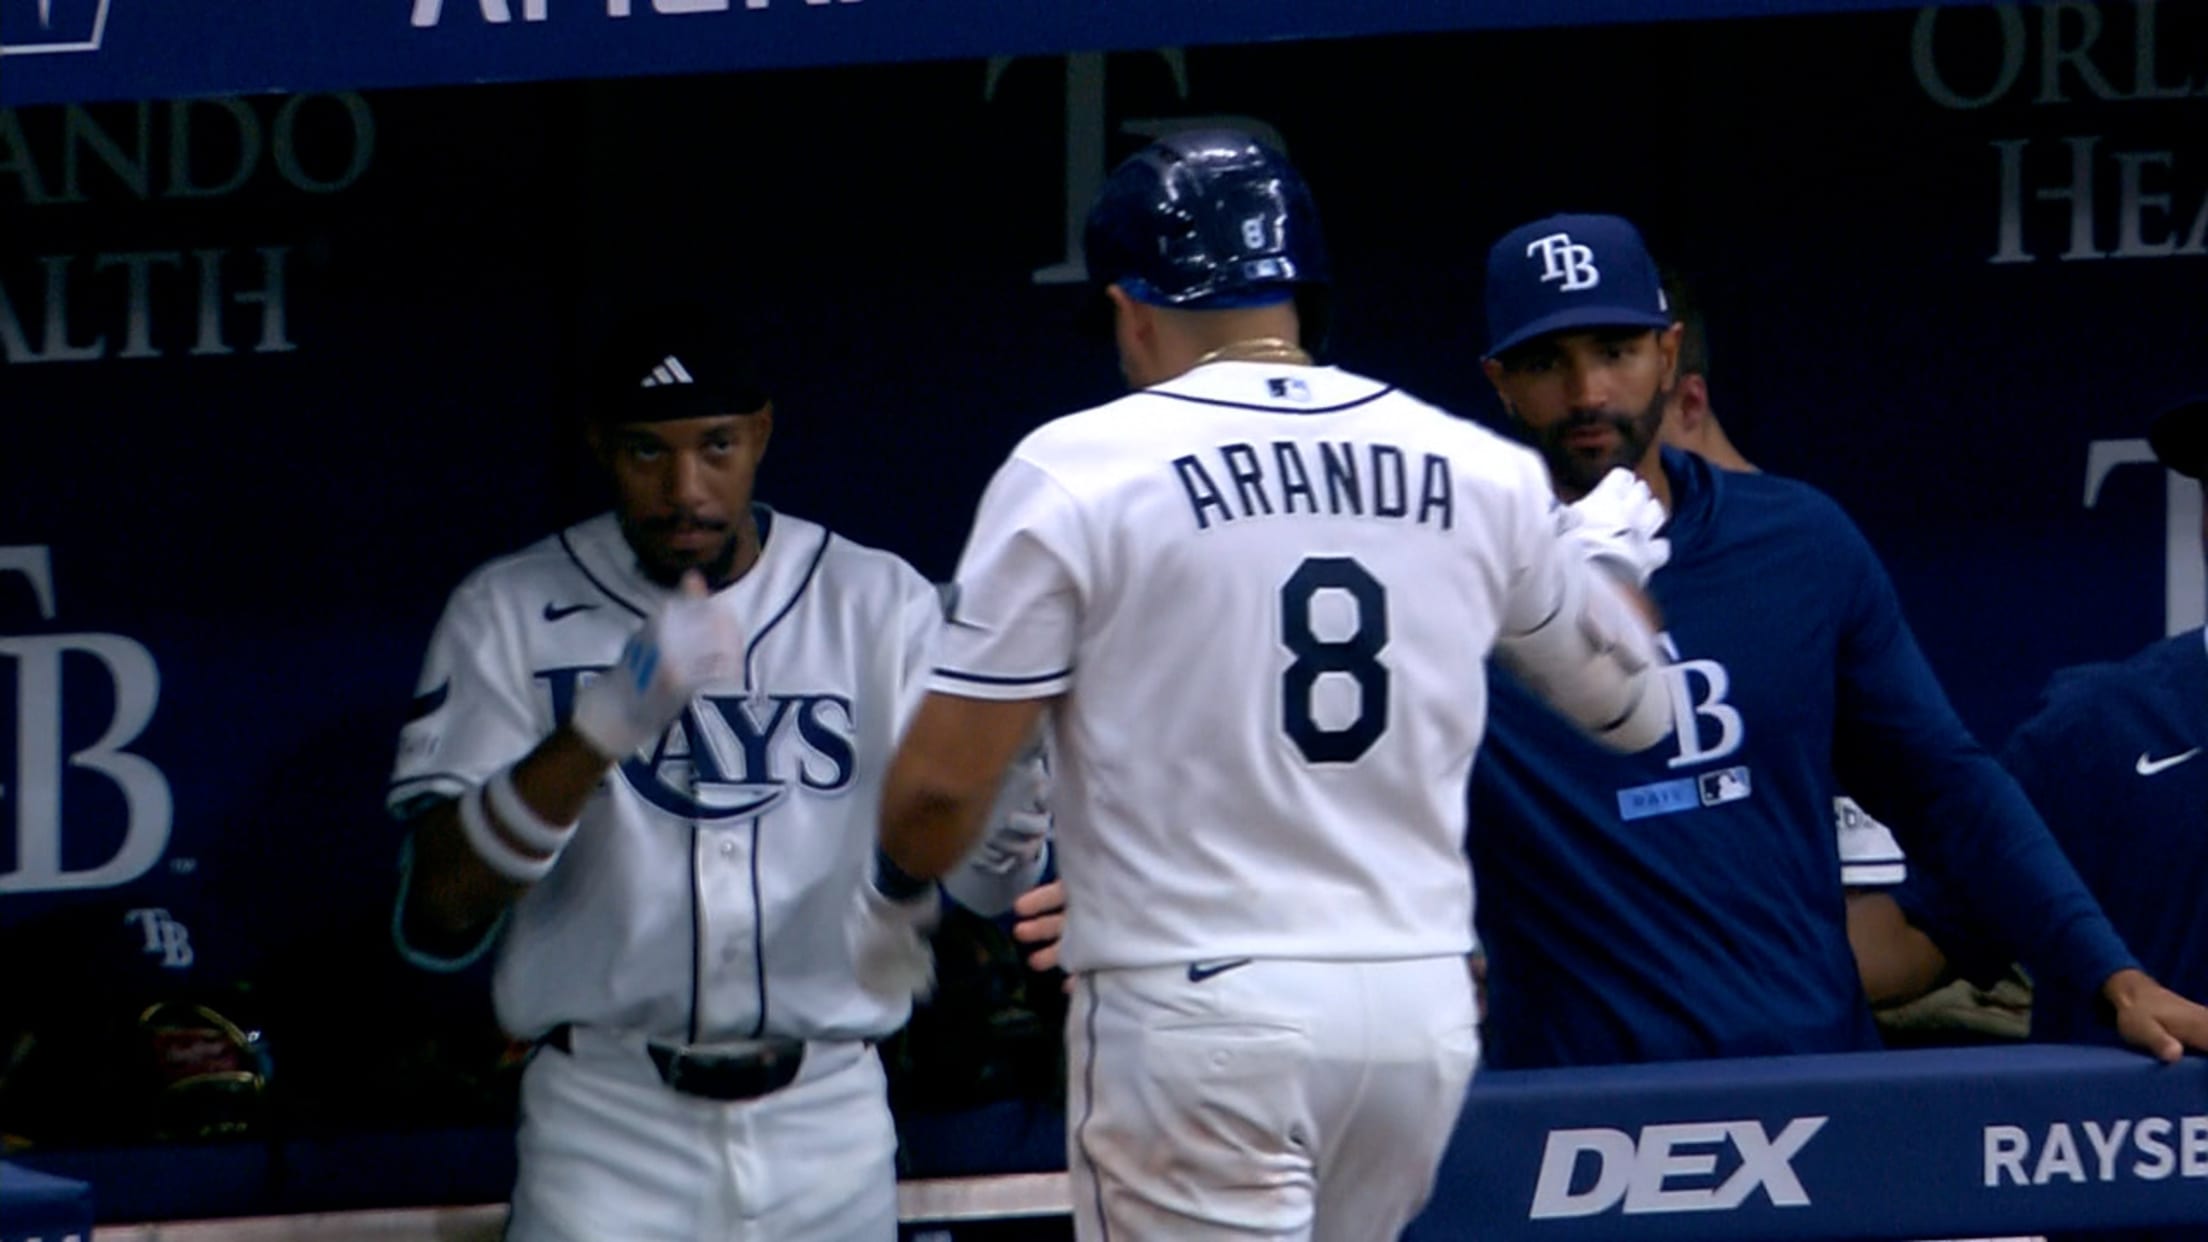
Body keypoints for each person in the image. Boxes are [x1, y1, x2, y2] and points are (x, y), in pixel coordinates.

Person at [851, 132, 1678, 1240]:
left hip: (1204, 1009)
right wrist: (1606, 563)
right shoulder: (1472, 466)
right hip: (1412, 1011)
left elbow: (939, 796)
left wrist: (890, 899)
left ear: (1131, 311)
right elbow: (1638, 706)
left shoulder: (1081, 467)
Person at [1462, 211, 2208, 1072]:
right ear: (1499, 383)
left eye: (1615, 350)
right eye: (1546, 362)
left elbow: (1946, 789)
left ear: (1668, 355)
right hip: (1573, 1105)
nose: (1588, 391)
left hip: (1814, 1089)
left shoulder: (1799, 545)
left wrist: (2114, 975)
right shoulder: (1449, 586)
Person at [384, 306, 1049, 1242]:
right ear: (600, 446)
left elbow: (989, 887)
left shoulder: (877, 602)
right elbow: (439, 914)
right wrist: (599, 730)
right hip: (605, 1130)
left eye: (717, 446)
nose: (684, 490)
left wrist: (1008, 799)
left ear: (761, 435)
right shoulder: (510, 609)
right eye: (647, 453)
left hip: (829, 1121)